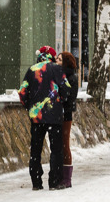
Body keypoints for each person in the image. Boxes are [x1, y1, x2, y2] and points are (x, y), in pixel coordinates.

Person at [18, 45, 71, 191]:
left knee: (36, 149)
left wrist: (30, 106)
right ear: (51, 57)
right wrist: (60, 101)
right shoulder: (57, 69)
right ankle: (54, 181)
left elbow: (22, 92)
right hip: (54, 117)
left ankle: (36, 182)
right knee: (56, 150)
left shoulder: (32, 70)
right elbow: (66, 89)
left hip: (36, 118)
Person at [57, 51, 79, 188]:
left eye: (59, 59)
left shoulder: (70, 77)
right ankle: (61, 175)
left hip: (65, 114)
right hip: (59, 114)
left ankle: (67, 178)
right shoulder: (60, 75)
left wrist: (61, 102)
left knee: (64, 144)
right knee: (59, 145)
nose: (56, 61)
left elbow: (70, 98)